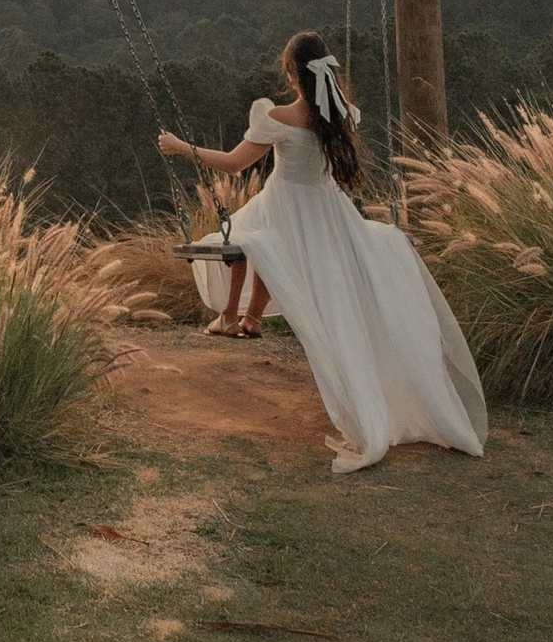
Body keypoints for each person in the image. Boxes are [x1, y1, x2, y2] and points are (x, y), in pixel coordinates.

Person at [159, 30, 489, 473]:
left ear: (293, 73)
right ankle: (243, 318)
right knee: (256, 240)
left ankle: (236, 317)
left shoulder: (277, 115)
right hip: (328, 212)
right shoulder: (341, 114)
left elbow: (236, 163)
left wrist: (182, 148)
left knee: (248, 238)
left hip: (290, 210)